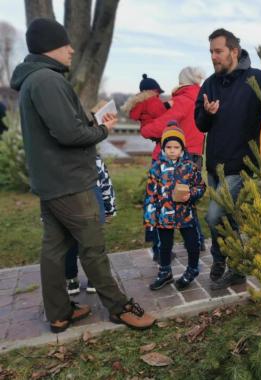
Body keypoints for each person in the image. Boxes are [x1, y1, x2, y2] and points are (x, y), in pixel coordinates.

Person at [10, 18, 155, 332]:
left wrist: (89, 119)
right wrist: (102, 129)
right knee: (92, 246)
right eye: (66, 45)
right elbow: (68, 134)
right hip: (69, 182)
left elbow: (61, 125)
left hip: (51, 181)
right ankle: (118, 307)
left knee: (54, 248)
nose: (72, 49)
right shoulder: (47, 80)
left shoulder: (34, 80)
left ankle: (59, 312)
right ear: (52, 47)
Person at [195, 28, 261, 289]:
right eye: (211, 52)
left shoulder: (256, 79)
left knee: (215, 216)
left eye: (218, 51)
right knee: (227, 219)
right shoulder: (210, 84)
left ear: (233, 52)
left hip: (241, 165)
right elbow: (200, 124)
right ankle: (223, 261)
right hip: (214, 166)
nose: (213, 56)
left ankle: (235, 265)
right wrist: (208, 114)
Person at [142, 67, 207, 253]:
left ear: (182, 81)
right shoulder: (201, 98)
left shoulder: (183, 100)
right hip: (195, 156)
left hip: (176, 156)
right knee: (187, 199)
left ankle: (161, 250)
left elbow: (161, 125)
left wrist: (145, 130)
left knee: (161, 201)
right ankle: (197, 241)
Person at [144, 122, 206, 291]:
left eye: (176, 147)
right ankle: (165, 272)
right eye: (168, 147)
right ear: (163, 148)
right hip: (164, 216)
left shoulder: (190, 167)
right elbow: (150, 196)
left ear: (182, 148)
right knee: (165, 246)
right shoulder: (156, 169)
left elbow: (201, 187)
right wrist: (150, 221)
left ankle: (192, 269)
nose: (172, 150)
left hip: (185, 214)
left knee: (192, 243)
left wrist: (191, 194)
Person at [122, 73, 170, 262]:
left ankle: (153, 238)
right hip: (162, 147)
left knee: (153, 196)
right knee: (163, 199)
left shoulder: (139, 104)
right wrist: (168, 106)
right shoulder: (152, 101)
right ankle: (160, 248)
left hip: (156, 149)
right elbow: (165, 118)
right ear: (153, 91)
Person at [66, 155, 116, 295]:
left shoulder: (58, 157)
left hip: (77, 206)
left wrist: (108, 207)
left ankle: (81, 280)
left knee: (75, 245)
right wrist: (109, 208)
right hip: (82, 206)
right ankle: (77, 279)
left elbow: (105, 183)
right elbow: (105, 183)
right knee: (88, 245)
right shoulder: (92, 157)